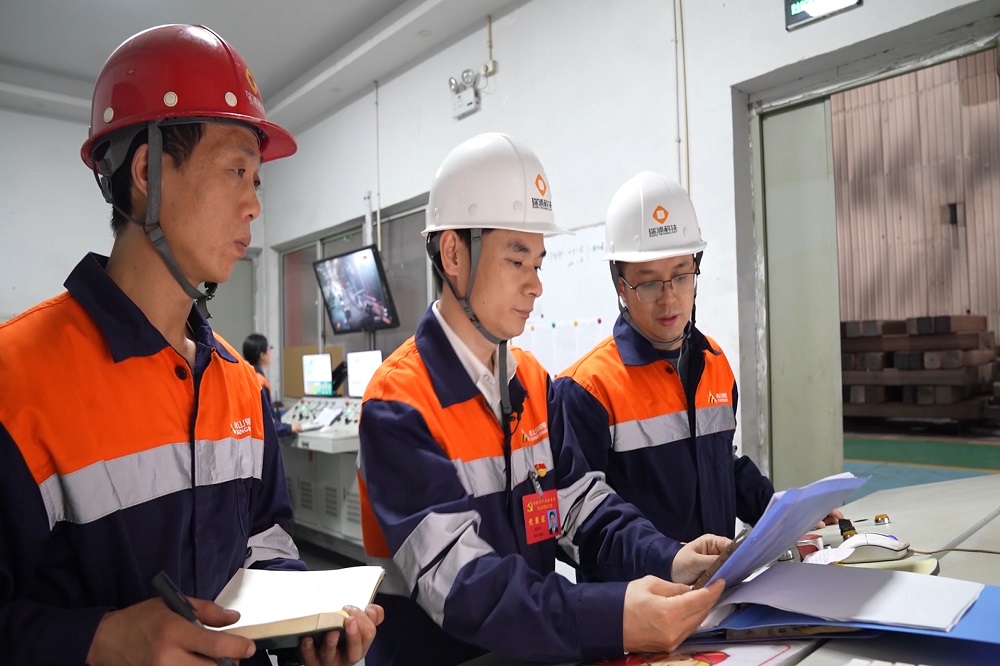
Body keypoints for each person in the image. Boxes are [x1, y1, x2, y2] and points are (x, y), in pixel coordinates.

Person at [0, 24, 379, 666]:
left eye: (258, 181)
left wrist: (307, 632)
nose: (254, 206)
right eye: (237, 170)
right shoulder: (17, 379)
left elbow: (264, 543)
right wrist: (101, 640)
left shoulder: (240, 384)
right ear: (148, 172)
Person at [357, 134, 729, 666]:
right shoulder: (398, 402)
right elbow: (460, 583)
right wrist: (612, 616)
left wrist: (670, 558)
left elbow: (581, 507)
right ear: (454, 253)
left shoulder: (532, 383)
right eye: (517, 261)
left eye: (538, 263)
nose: (536, 286)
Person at [555, 172, 840, 546]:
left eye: (681, 276)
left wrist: (788, 515)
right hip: (646, 585)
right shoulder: (587, 389)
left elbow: (721, 469)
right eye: (649, 283)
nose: (669, 298)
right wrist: (668, 560)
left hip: (720, 578)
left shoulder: (713, 362)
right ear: (621, 286)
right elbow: (576, 524)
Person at [243, 333, 303, 436]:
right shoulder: (259, 382)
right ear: (262, 355)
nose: (270, 352)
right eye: (269, 348)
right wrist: (290, 428)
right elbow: (266, 423)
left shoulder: (246, 376)